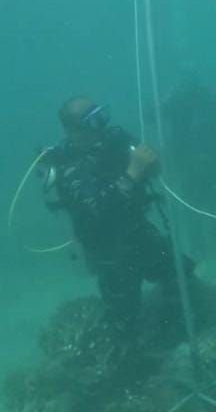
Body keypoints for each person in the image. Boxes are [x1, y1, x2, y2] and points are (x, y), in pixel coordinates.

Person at [43, 96, 195, 349]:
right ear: (73, 131)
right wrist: (133, 172)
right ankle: (131, 373)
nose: (101, 124)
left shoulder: (114, 138)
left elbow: (149, 166)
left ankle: (181, 334)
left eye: (102, 114)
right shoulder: (69, 168)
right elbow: (102, 210)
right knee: (124, 322)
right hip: (109, 253)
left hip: (139, 234)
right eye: (92, 121)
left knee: (182, 277)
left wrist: (152, 164)